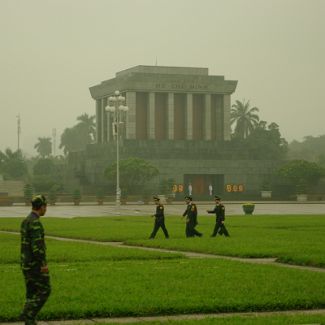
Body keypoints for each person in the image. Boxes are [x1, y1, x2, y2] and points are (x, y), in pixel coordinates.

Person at [20, 195, 51, 325]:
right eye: (45, 206)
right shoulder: (35, 223)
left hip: (25, 263)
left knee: (31, 292)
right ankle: (29, 315)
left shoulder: (26, 220)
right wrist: (43, 264)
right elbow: (37, 246)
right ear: (42, 207)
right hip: (35, 265)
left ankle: (27, 318)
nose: (46, 209)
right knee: (45, 289)